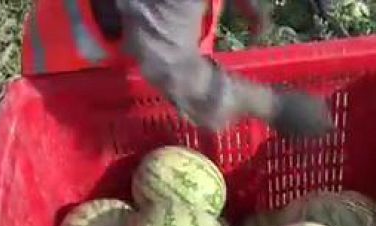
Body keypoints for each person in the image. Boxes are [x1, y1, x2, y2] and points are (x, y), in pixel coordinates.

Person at [21, 0, 335, 138]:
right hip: (78, 74)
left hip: (157, 40)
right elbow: (178, 74)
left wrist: (251, 8)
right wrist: (274, 108)